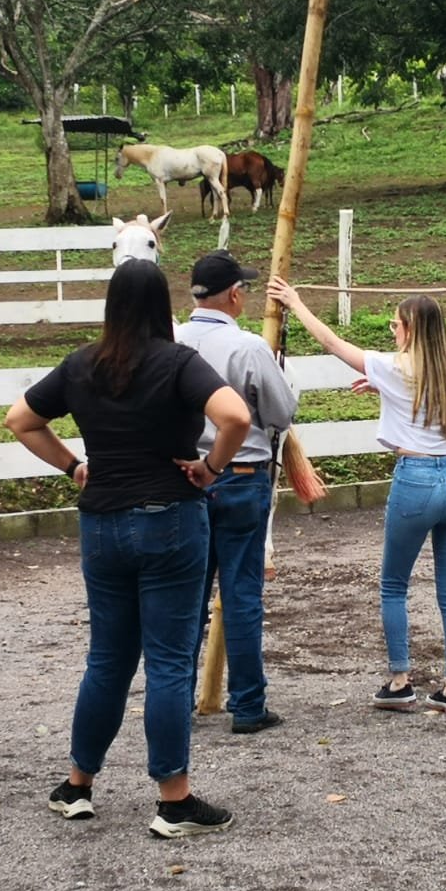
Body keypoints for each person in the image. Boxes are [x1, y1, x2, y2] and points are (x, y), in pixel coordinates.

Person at [5, 261, 249, 838]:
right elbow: (235, 415)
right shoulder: (178, 363)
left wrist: (73, 466)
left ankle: (77, 785)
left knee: (107, 659)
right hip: (169, 518)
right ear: (162, 306)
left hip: (102, 524)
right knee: (167, 660)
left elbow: (20, 419)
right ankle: (173, 799)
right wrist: (211, 468)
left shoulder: (83, 364)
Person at [266, 276, 446, 714]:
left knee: (394, 585)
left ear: (410, 330)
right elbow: (431, 400)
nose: (392, 331)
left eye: (396, 325)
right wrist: (387, 389)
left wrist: (296, 303)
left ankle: (400, 680)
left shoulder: (395, 366)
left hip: (416, 478)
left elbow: (333, 344)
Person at [174, 250, 300, 735]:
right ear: (233, 294)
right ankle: (248, 704)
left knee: (188, 597)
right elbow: (280, 413)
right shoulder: (248, 348)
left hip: (188, 475)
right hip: (242, 475)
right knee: (242, 595)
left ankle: (177, 696)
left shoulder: (174, 341)